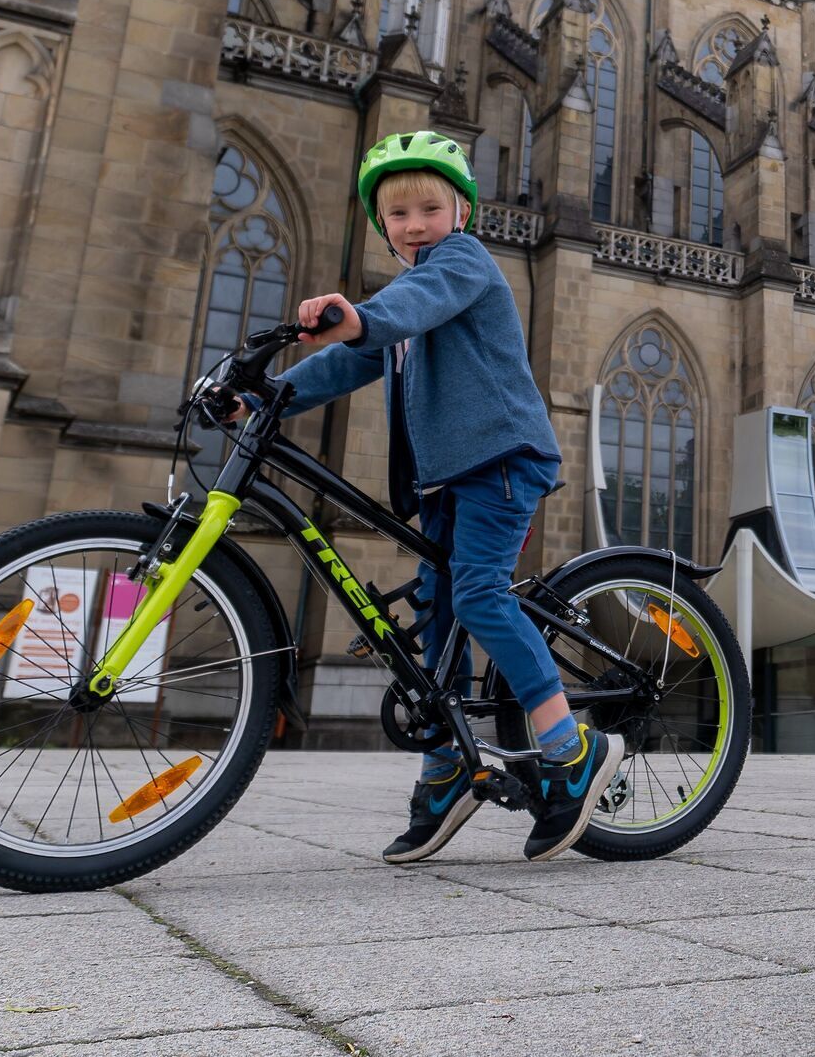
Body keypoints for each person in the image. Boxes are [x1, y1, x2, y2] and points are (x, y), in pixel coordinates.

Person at [246, 130, 623, 864]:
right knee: (435, 620)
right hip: (445, 481)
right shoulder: (399, 305)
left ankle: (572, 750)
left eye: (430, 207)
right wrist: (264, 395)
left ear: (461, 212)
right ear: (380, 226)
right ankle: (448, 767)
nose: (415, 224)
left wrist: (357, 314)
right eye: (398, 214)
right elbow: (346, 363)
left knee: (480, 597)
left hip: (502, 459)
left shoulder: (461, 264)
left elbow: (407, 305)